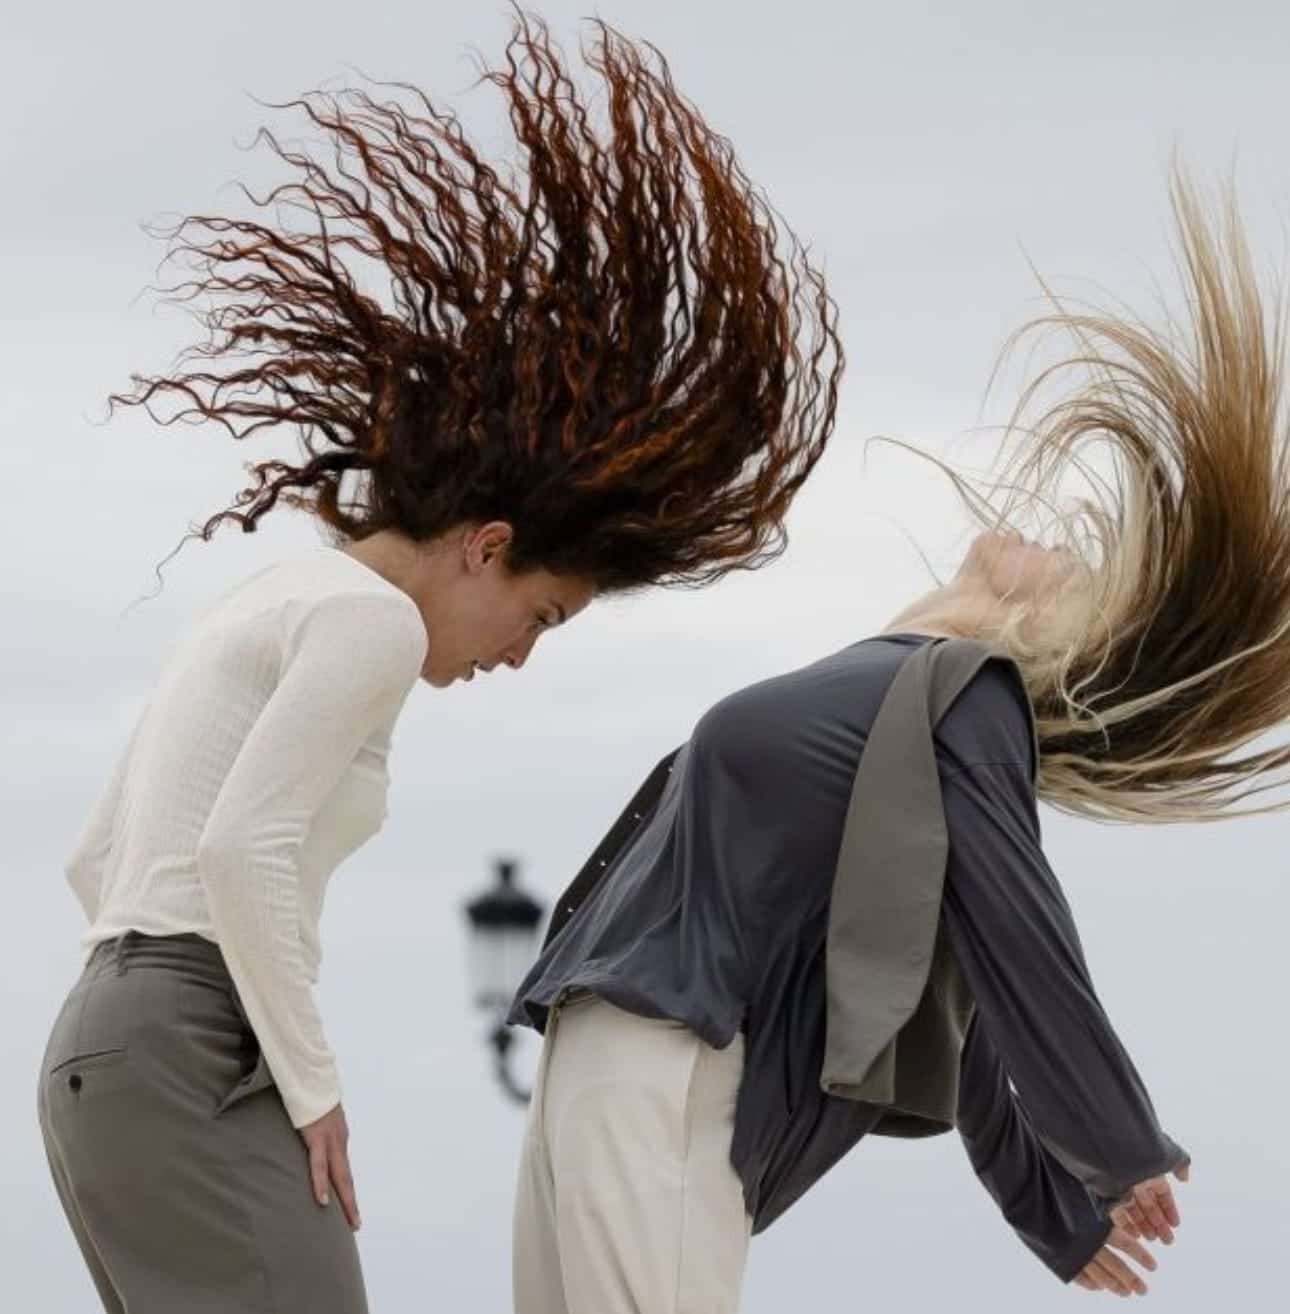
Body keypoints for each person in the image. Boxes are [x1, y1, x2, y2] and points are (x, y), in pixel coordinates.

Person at [36, 15, 843, 1314]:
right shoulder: (371, 622)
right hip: (197, 1043)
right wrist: (312, 1089)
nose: (519, 655)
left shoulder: (272, 597)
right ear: (486, 547)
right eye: (542, 615)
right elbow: (242, 852)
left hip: (97, 1048)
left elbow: (98, 855)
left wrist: (148, 1019)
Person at [508, 180, 1290, 1312]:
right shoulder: (883, 699)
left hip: (670, 1073)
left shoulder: (970, 700)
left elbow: (1016, 943)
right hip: (594, 1064)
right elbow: (950, 992)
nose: (1055, 539)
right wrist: (1056, 1210)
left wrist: (1111, 1155)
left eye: (1081, 570)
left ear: (1063, 650)